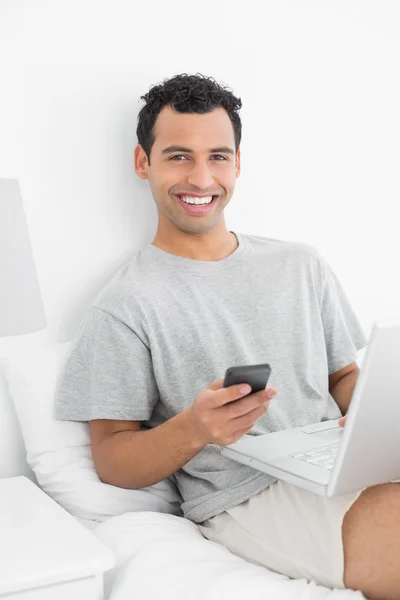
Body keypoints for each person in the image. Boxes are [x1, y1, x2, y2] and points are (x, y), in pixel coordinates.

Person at [55, 73, 400, 600]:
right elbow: (112, 460)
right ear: (142, 163)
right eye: (178, 156)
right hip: (246, 498)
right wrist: (194, 429)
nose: (200, 178)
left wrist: (373, 422)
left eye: (218, 156)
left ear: (237, 163)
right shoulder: (127, 304)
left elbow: (343, 376)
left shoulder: (300, 263)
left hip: (332, 458)